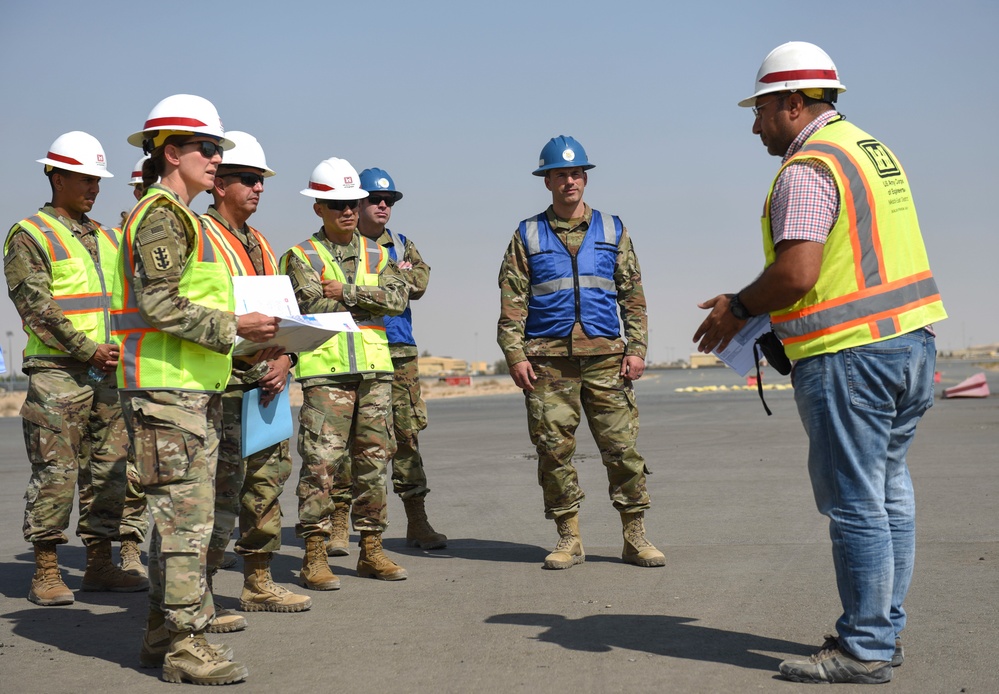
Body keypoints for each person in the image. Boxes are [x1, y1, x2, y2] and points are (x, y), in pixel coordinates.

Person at [693, 42, 947, 685]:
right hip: (909, 344)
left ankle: (864, 649)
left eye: (760, 111)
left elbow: (799, 271)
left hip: (850, 358)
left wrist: (737, 307)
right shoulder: (870, 151)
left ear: (790, 102)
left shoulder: (808, 167)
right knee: (890, 497)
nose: (755, 124)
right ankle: (881, 630)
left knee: (856, 504)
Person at [112, 94, 279, 685]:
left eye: (218, 149)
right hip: (165, 392)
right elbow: (159, 302)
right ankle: (185, 644)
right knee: (185, 524)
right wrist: (235, 328)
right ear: (172, 152)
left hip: (187, 390)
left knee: (183, 520)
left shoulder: (178, 216)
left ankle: (162, 630)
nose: (216, 159)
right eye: (207, 149)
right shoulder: (162, 214)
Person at [497, 135, 665, 571]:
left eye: (575, 173)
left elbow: (633, 294)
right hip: (548, 361)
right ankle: (569, 536)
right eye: (559, 175)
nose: (568, 181)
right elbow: (512, 300)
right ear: (547, 181)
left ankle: (635, 535)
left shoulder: (612, 228)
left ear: (584, 179)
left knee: (622, 448)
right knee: (554, 451)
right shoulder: (527, 233)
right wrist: (515, 356)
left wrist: (638, 347)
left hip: (608, 357)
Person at [5, 131, 149, 607]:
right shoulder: (30, 234)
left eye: (97, 180)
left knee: (111, 471)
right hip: (59, 372)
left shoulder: (108, 236)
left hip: (108, 373)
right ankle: (46, 568)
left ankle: (99, 564)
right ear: (57, 175)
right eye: (85, 178)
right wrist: (88, 349)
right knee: (57, 471)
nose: (93, 188)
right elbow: (36, 307)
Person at [280, 157, 409, 586]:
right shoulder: (300, 256)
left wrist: (347, 291)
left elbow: (398, 299)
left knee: (374, 465)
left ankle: (372, 550)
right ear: (318, 207)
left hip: (374, 372)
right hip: (326, 375)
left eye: (354, 202)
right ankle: (314, 554)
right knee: (320, 466)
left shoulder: (378, 251)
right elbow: (308, 304)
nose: (349, 211)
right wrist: (366, 298)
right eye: (338, 205)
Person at [200, 131, 311, 623]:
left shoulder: (262, 243)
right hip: (223, 385)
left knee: (266, 483)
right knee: (218, 491)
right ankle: (198, 593)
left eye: (261, 180)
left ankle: (259, 582)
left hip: (266, 383)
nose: (258, 188)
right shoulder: (201, 237)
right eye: (248, 179)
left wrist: (287, 359)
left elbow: (281, 315)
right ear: (219, 183)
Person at [355, 166, 446, 552]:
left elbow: (420, 284)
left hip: (400, 351)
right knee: (354, 440)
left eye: (388, 200)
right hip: (356, 349)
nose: (382, 206)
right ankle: (344, 518)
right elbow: (401, 286)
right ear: (355, 202)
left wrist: (363, 287)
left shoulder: (402, 243)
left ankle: (417, 520)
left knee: (407, 436)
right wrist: (393, 282)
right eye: (375, 199)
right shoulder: (343, 245)